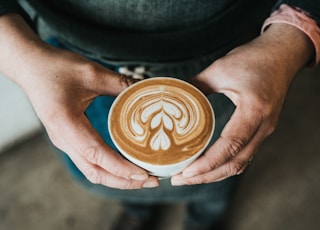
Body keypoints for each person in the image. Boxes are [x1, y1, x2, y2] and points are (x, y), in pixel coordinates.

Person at [1, 1, 319, 229]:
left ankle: (205, 218)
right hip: (69, 63)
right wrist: (21, 58)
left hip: (229, 59)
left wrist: (290, 38)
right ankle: (138, 208)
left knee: (223, 167)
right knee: (124, 174)